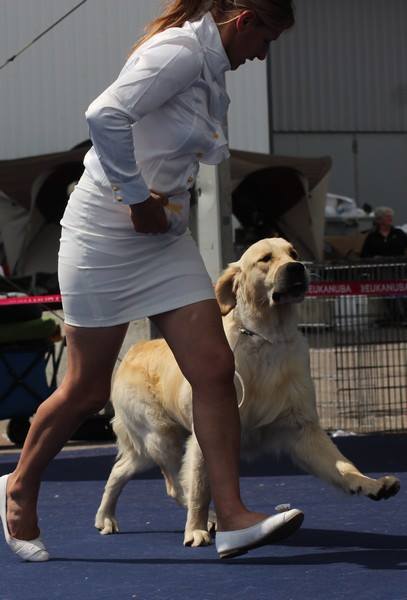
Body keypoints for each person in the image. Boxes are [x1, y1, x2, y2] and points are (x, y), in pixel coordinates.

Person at [0, 0, 304, 562]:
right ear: (244, 21)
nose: (263, 54)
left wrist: (156, 210)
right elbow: (103, 115)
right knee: (87, 389)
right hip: (105, 233)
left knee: (214, 367)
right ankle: (18, 486)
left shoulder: (211, 66)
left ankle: (232, 516)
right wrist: (139, 201)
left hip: (163, 238)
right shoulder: (180, 52)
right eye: (266, 39)